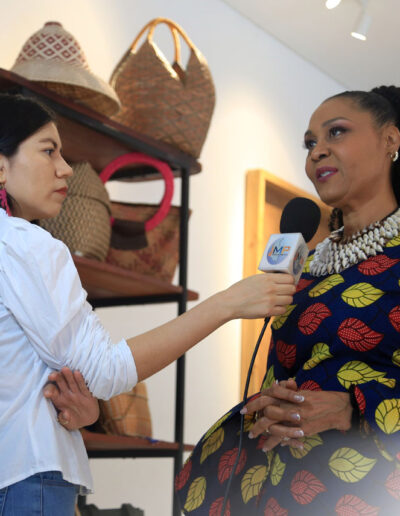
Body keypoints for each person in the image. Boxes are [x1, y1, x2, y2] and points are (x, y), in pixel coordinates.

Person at [0, 92, 296, 516]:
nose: (65, 168)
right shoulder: (27, 244)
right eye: (49, 151)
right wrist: (226, 304)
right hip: (25, 478)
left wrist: (81, 406)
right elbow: (103, 370)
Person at [176, 86, 400, 515]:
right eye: (310, 143)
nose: (318, 151)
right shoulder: (306, 264)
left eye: (336, 132)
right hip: (276, 486)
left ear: (390, 140)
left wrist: (354, 407)